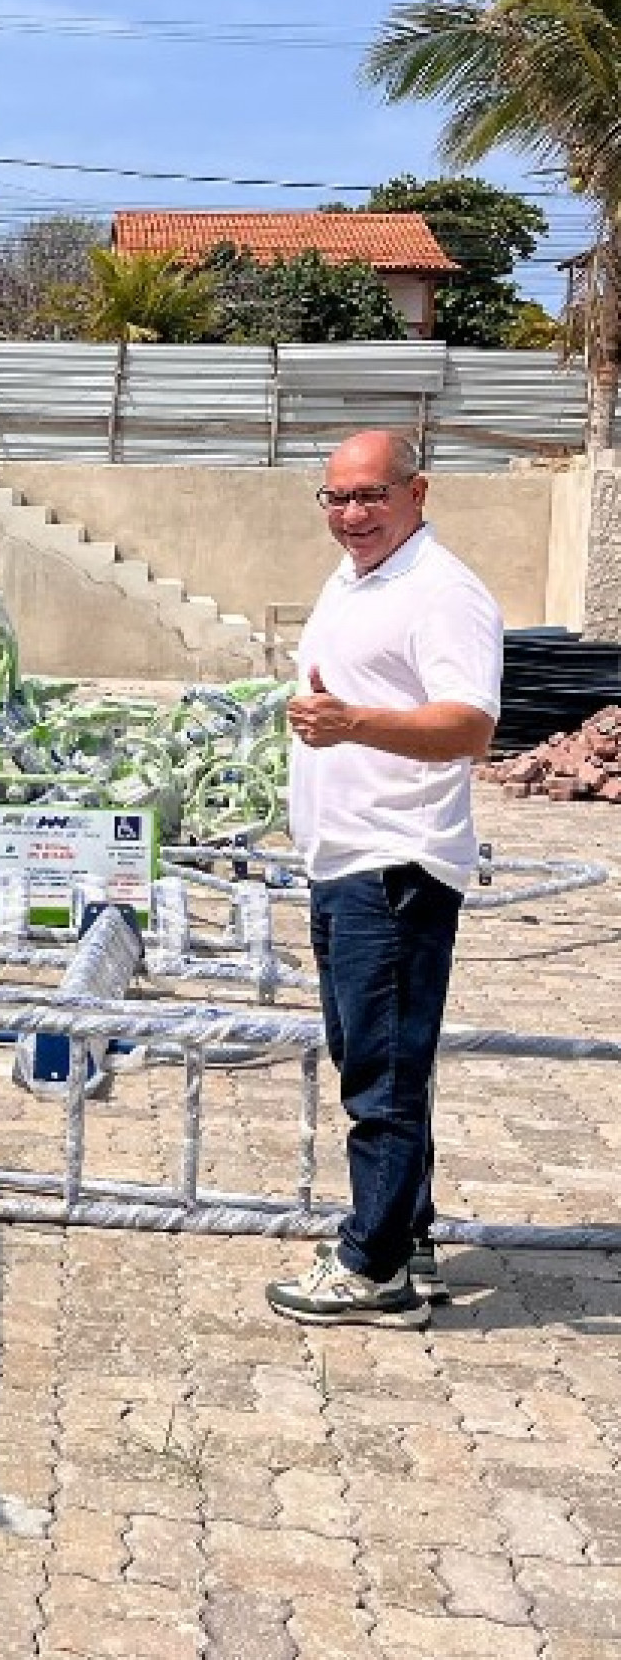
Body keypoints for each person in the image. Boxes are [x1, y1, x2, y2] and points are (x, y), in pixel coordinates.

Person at [266, 429, 502, 1330]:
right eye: (336, 499)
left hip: (396, 863)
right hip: (346, 857)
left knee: (383, 1074)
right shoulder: (358, 578)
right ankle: (408, 1233)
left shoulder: (442, 592)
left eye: (370, 497)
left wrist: (354, 723)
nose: (352, 515)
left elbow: (470, 728)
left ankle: (373, 1270)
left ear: (417, 492)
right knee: (375, 1055)